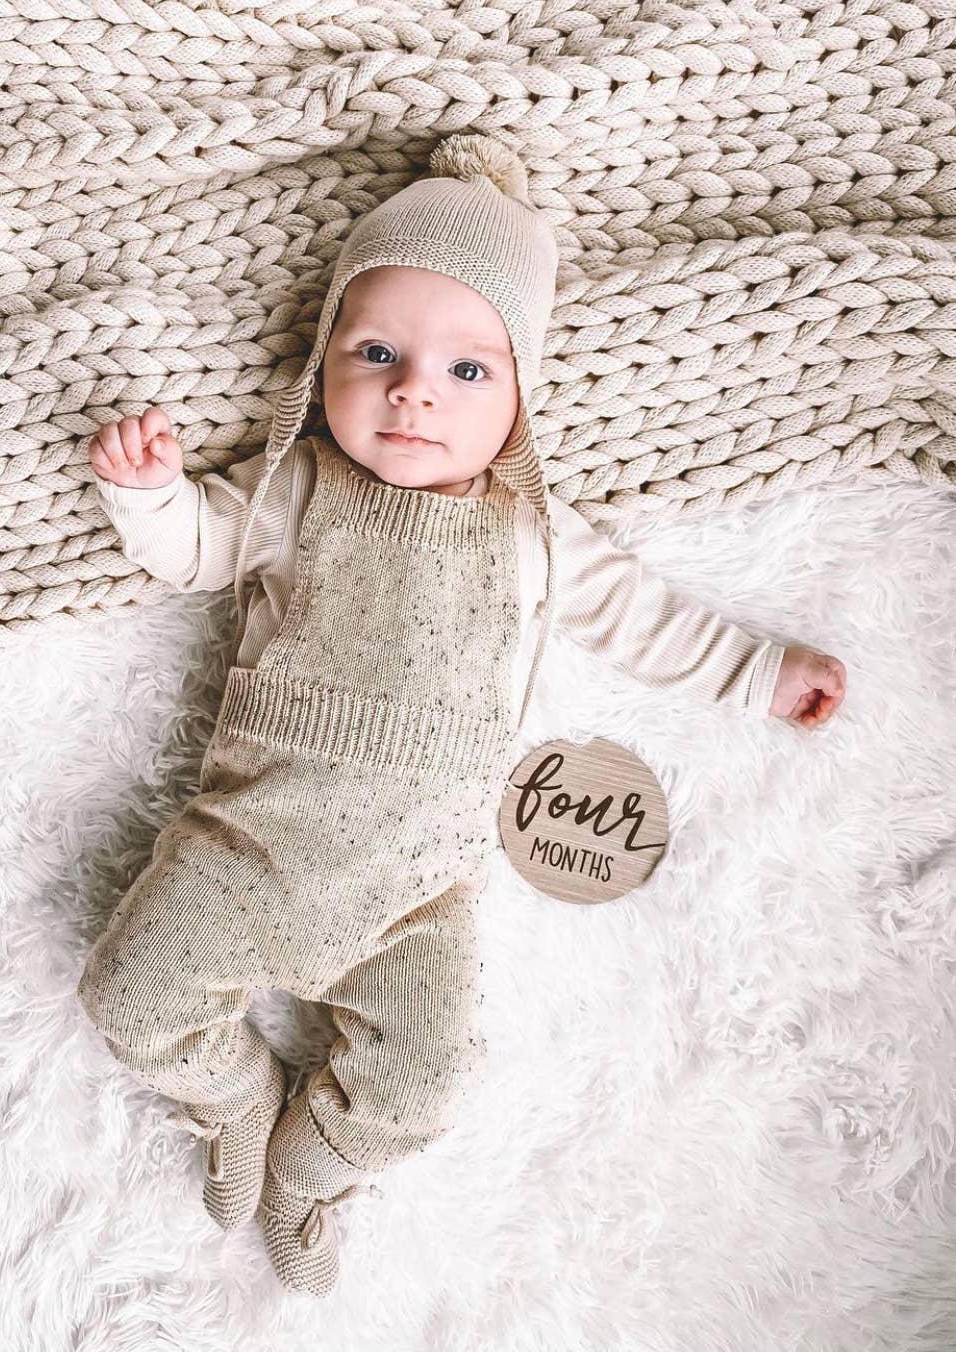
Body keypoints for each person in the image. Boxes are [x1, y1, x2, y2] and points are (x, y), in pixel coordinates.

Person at [75, 134, 848, 1297]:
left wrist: (763, 670)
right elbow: (197, 549)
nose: (412, 389)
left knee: (427, 1080)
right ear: (320, 362)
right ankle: (231, 1095)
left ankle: (312, 1166)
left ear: (524, 398)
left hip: (416, 893)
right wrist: (146, 493)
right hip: (246, 846)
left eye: (466, 371)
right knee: (127, 992)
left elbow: (646, 620)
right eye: (375, 350)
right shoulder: (298, 488)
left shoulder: (535, 534)